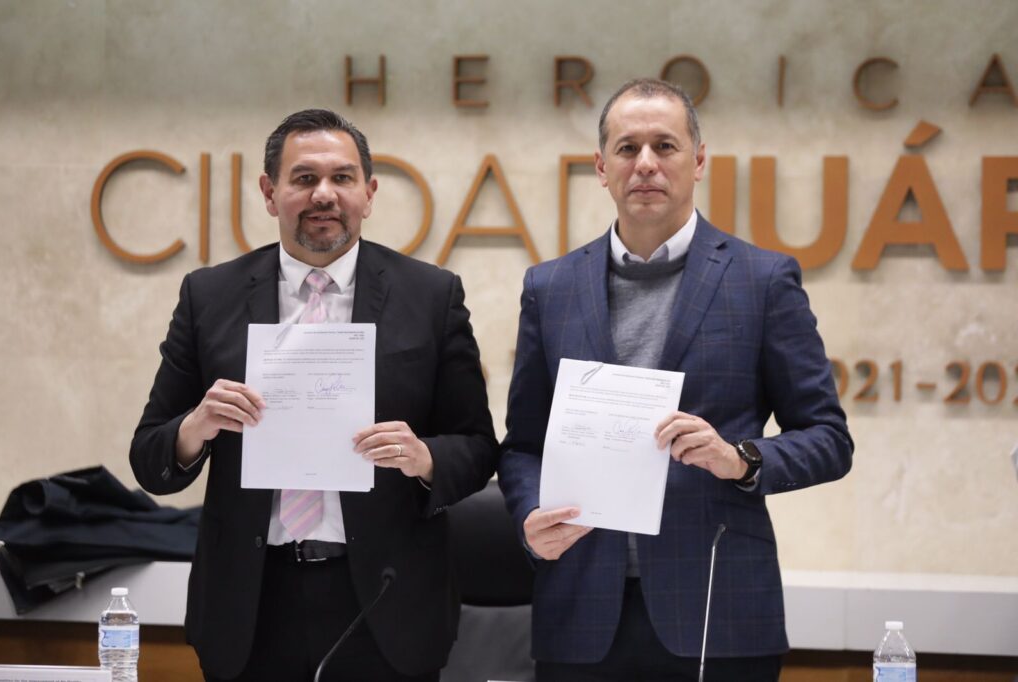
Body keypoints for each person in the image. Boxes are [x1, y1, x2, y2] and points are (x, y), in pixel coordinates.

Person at [497, 78, 853, 681]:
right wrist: (532, 517)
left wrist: (739, 459)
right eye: (627, 148)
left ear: (699, 161)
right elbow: (524, 446)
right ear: (601, 167)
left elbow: (829, 439)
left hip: (719, 607)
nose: (646, 164)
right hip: (581, 609)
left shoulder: (763, 281)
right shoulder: (550, 287)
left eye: (665, 146)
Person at [130, 109, 498, 682]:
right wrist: (194, 428)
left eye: (342, 178)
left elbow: (477, 446)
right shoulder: (209, 295)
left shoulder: (431, 295)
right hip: (250, 605)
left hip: (384, 604)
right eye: (304, 178)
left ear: (369, 194)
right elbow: (148, 457)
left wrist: (425, 458)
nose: (324, 194)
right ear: (269, 193)